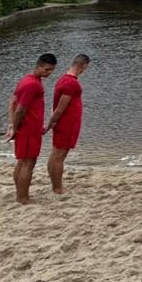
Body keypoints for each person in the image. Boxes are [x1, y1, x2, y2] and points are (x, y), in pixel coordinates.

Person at [7, 53, 56, 204]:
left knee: (22, 162)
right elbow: (19, 109)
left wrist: (11, 125)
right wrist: (14, 128)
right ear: (39, 66)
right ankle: (23, 197)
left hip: (28, 129)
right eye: (47, 69)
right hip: (28, 131)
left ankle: (20, 195)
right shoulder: (32, 84)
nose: (49, 73)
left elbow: (12, 101)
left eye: (52, 70)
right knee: (28, 163)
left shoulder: (27, 79)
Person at [43, 53, 90, 195]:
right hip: (67, 124)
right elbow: (60, 109)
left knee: (55, 154)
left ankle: (55, 185)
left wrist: (51, 124)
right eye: (85, 68)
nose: (84, 71)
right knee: (59, 156)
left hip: (64, 124)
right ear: (83, 66)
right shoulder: (71, 83)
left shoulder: (62, 79)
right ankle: (57, 187)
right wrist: (49, 125)